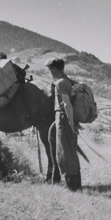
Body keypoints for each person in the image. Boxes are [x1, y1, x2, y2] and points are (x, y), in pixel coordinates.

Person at [45, 57, 81, 191]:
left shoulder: (60, 83)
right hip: (66, 119)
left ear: (54, 69)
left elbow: (67, 105)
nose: (49, 72)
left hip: (64, 118)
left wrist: (71, 124)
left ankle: (72, 187)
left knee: (64, 153)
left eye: (50, 70)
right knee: (70, 152)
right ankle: (76, 185)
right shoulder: (70, 81)